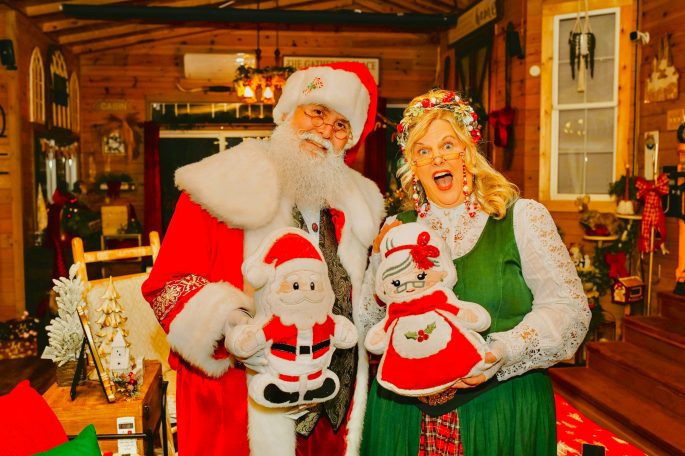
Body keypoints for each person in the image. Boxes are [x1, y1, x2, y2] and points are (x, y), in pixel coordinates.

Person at [141, 62, 384, 456]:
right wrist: (234, 326)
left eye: (341, 125)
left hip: (328, 419)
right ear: (288, 112)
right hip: (238, 409)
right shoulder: (222, 184)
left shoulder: (359, 209)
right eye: (317, 112)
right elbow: (166, 286)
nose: (325, 131)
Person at [359, 89, 591, 456]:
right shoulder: (395, 228)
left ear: (468, 151)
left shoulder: (521, 219)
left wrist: (501, 352)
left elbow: (568, 310)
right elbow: (367, 325)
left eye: (448, 145)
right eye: (423, 151)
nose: (437, 158)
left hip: (500, 409)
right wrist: (377, 265)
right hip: (404, 414)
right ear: (413, 166)